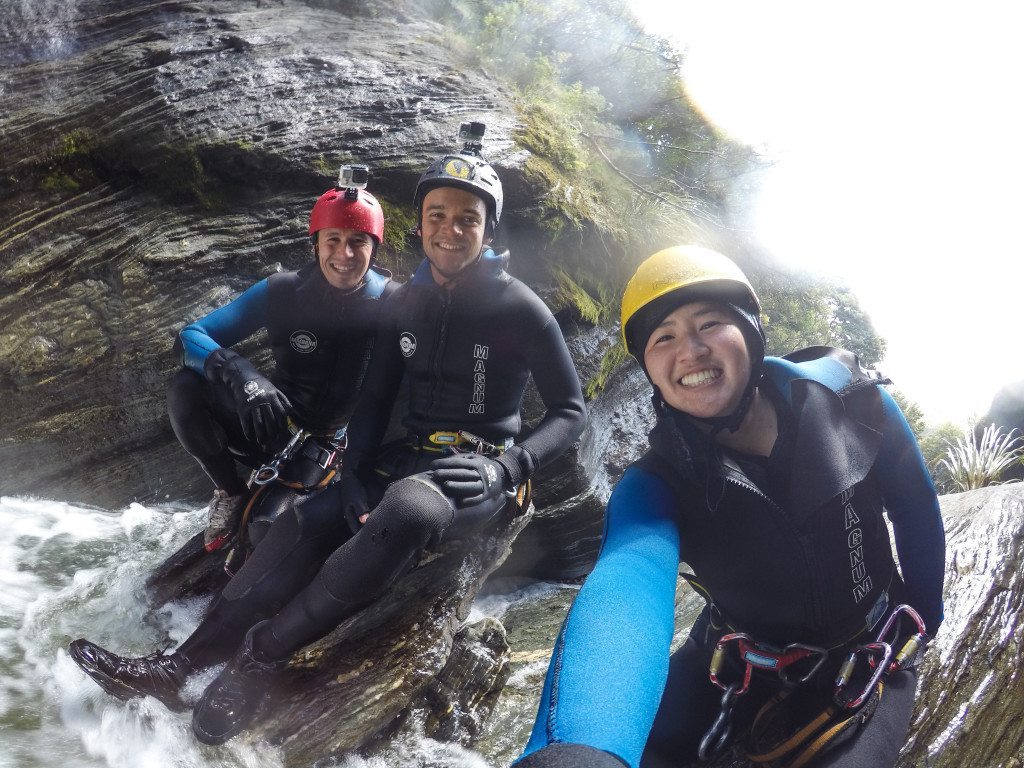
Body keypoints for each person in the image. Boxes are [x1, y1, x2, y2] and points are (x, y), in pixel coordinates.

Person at [69, 130, 588, 747]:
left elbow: (570, 410)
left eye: (467, 219)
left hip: (475, 471)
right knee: (302, 523)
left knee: (409, 507)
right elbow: (374, 399)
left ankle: (257, 660)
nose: (450, 231)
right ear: (418, 225)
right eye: (437, 216)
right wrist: (353, 476)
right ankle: (179, 669)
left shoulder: (518, 308)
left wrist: (511, 466)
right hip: (406, 457)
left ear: (489, 229)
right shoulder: (409, 303)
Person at [515, 245, 945, 768]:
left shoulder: (855, 405)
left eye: (709, 323)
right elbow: (628, 585)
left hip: (864, 659)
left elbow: (915, 507)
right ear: (649, 367)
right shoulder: (656, 481)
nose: (689, 351)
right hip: (731, 662)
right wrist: (581, 747)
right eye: (663, 338)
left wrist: (927, 619)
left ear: (750, 331)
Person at [166, 169, 394, 552]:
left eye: (358, 242)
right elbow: (189, 338)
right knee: (184, 388)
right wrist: (244, 376)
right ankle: (229, 491)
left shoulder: (392, 303)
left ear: (374, 248)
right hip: (268, 419)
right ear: (315, 244)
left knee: (265, 532)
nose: (345, 254)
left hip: (326, 445)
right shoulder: (282, 291)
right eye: (332, 240)